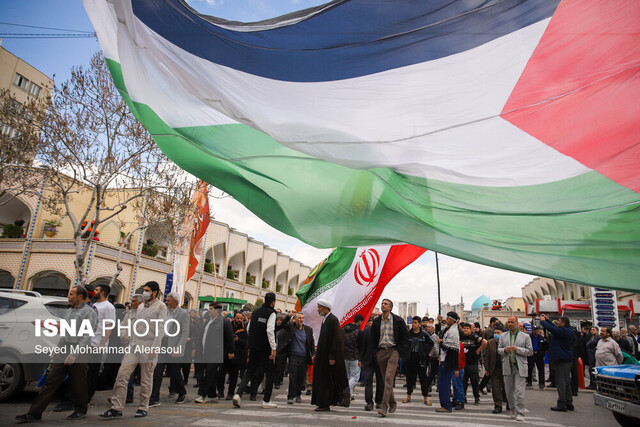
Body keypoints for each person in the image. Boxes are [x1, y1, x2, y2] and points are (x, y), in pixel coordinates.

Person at [16, 286, 97, 422]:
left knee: (78, 382)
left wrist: (75, 354)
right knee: (51, 380)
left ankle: (80, 409)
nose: (68, 296)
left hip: (79, 349)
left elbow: (87, 336)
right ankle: (34, 413)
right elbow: (65, 333)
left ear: (80, 297)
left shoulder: (89, 313)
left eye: (71, 294)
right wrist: (58, 348)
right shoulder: (69, 311)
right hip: (64, 347)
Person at [101, 281, 168, 419]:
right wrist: (126, 336)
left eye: (147, 290)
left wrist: (155, 348)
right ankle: (116, 407)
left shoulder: (161, 307)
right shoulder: (141, 306)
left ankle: (143, 407)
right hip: (134, 346)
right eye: (144, 290)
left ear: (155, 292)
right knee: (122, 376)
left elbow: (160, 329)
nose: (144, 292)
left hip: (149, 347)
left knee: (145, 380)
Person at [233, 292, 278, 408]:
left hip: (254, 347)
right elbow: (270, 331)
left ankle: (238, 394)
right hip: (265, 348)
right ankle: (266, 400)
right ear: (273, 302)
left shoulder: (256, 312)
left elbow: (249, 329)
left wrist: (253, 343)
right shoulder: (272, 313)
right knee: (269, 373)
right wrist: (273, 348)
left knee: (249, 372)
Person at [371, 298, 410, 417]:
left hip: (393, 351)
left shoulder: (398, 321)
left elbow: (405, 337)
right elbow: (373, 338)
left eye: (385, 304)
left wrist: (399, 351)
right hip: (381, 352)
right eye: (382, 303)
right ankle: (393, 403)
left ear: (390, 308)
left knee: (388, 378)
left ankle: (384, 406)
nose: (383, 305)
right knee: (385, 379)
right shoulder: (377, 321)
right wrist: (376, 352)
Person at [150, 292, 190, 405]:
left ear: (175, 302)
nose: (166, 302)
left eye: (169, 300)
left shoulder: (183, 314)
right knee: (157, 371)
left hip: (174, 346)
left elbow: (184, 333)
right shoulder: (164, 312)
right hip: (162, 344)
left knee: (175, 372)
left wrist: (179, 348)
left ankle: (182, 392)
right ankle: (154, 398)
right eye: (166, 300)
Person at [311, 299, 350, 411]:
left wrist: (332, 357)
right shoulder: (325, 320)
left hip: (328, 358)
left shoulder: (333, 320)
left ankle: (325, 403)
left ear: (325, 308)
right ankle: (322, 402)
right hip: (322, 357)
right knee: (321, 380)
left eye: (320, 307)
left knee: (326, 381)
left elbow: (336, 340)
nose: (318, 309)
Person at [195, 302, 235, 403]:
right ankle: (212, 394)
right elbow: (201, 336)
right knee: (209, 373)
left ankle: (202, 395)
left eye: (212, 308)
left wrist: (231, 351)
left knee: (209, 373)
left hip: (216, 353)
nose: (209, 310)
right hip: (204, 352)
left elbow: (230, 337)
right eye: (209, 308)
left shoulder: (224, 322)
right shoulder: (207, 321)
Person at [498, 316, 533, 422]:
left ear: (517, 324)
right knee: (508, 391)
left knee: (519, 391)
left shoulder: (525, 336)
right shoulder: (503, 336)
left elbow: (530, 351)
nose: (510, 324)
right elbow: (499, 350)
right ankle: (512, 409)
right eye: (508, 322)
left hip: (519, 367)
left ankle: (520, 412)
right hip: (508, 366)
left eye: (512, 322)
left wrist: (518, 350)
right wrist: (505, 349)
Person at [87, 283, 116, 403]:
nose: (94, 292)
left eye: (97, 290)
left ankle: (88, 395)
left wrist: (102, 343)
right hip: (88, 342)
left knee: (92, 372)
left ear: (102, 292)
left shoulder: (108, 307)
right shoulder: (94, 305)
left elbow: (109, 326)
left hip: (97, 343)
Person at [540, 314, 574, 412]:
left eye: (559, 321)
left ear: (563, 323)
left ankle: (562, 403)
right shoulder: (567, 330)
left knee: (561, 382)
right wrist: (548, 320)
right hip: (565, 358)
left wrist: (543, 321)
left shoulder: (564, 331)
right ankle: (569, 402)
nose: (557, 323)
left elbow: (552, 329)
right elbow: (554, 327)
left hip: (561, 359)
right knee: (566, 381)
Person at [279, 312, 315, 404]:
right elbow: (283, 324)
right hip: (293, 356)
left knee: (301, 377)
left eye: (302, 318)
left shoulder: (308, 330)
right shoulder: (291, 327)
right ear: (295, 319)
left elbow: (311, 343)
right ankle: (291, 396)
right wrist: (289, 316)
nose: (301, 320)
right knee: (293, 377)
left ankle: (298, 394)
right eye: (299, 318)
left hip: (303, 357)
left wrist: (313, 354)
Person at [403, 316, 434, 405]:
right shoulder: (408, 334)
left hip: (421, 360)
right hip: (410, 360)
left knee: (423, 379)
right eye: (412, 322)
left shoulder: (424, 334)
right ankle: (408, 396)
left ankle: (425, 397)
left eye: (415, 323)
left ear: (419, 324)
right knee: (409, 379)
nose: (413, 324)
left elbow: (431, 343)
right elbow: (404, 343)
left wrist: (425, 352)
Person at [435, 311, 460, 413]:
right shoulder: (449, 329)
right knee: (443, 383)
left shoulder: (453, 332)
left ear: (451, 319)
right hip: (445, 360)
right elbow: (442, 331)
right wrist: (440, 321)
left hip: (448, 360)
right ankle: (445, 404)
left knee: (443, 383)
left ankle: (446, 405)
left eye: (447, 318)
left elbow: (450, 347)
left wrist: (441, 343)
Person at [359, 316, 384, 411]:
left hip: (380, 360)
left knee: (380, 381)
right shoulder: (366, 331)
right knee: (368, 381)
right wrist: (360, 359)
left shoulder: (383, 331)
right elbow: (363, 346)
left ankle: (379, 401)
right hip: (368, 360)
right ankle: (369, 402)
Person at [460, 322, 487, 406]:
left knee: (474, 381)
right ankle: (463, 397)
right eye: (464, 328)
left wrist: (479, 350)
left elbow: (485, 342)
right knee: (463, 381)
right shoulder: (460, 337)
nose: (465, 330)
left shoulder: (474, 337)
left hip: (473, 363)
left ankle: (476, 398)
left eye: (467, 328)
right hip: (463, 363)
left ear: (471, 330)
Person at [484, 322, 506, 414]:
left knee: (506, 387)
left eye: (498, 333)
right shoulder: (490, 343)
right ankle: (498, 406)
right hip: (494, 369)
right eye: (495, 333)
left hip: (505, 369)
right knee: (496, 388)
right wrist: (487, 368)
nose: (496, 334)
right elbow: (486, 356)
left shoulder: (506, 342)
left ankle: (509, 402)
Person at [342, 314, 364, 400]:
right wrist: (361, 359)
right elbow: (361, 346)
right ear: (359, 321)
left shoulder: (343, 329)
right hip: (355, 357)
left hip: (344, 356)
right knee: (355, 377)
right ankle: (346, 391)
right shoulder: (359, 332)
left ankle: (350, 394)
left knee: (348, 376)